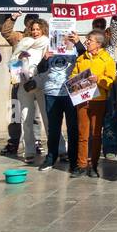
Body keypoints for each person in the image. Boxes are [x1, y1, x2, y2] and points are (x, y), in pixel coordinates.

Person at [1, 12, 50, 161]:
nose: (35, 32)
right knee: (25, 117)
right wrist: (20, 61)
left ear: (43, 30)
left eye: (38, 29)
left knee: (48, 118)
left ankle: (58, 148)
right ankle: (28, 150)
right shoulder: (23, 42)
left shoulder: (48, 43)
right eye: (33, 29)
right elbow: (13, 63)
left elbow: (50, 67)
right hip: (24, 85)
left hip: (41, 85)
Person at [71, 30, 117, 177]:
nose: (87, 42)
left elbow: (110, 81)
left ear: (98, 44)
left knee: (96, 134)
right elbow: (72, 75)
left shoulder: (107, 59)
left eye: (89, 40)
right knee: (82, 133)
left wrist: (99, 79)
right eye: (87, 39)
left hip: (99, 100)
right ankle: (81, 164)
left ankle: (94, 165)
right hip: (82, 99)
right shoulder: (81, 59)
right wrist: (78, 79)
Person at [38, 36, 79, 173]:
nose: (64, 41)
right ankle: (51, 157)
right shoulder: (50, 50)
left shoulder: (76, 50)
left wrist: (78, 42)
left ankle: (74, 160)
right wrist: (45, 58)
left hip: (70, 93)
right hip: (52, 92)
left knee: (73, 128)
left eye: (67, 38)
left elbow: (85, 55)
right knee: (53, 128)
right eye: (61, 38)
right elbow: (41, 69)